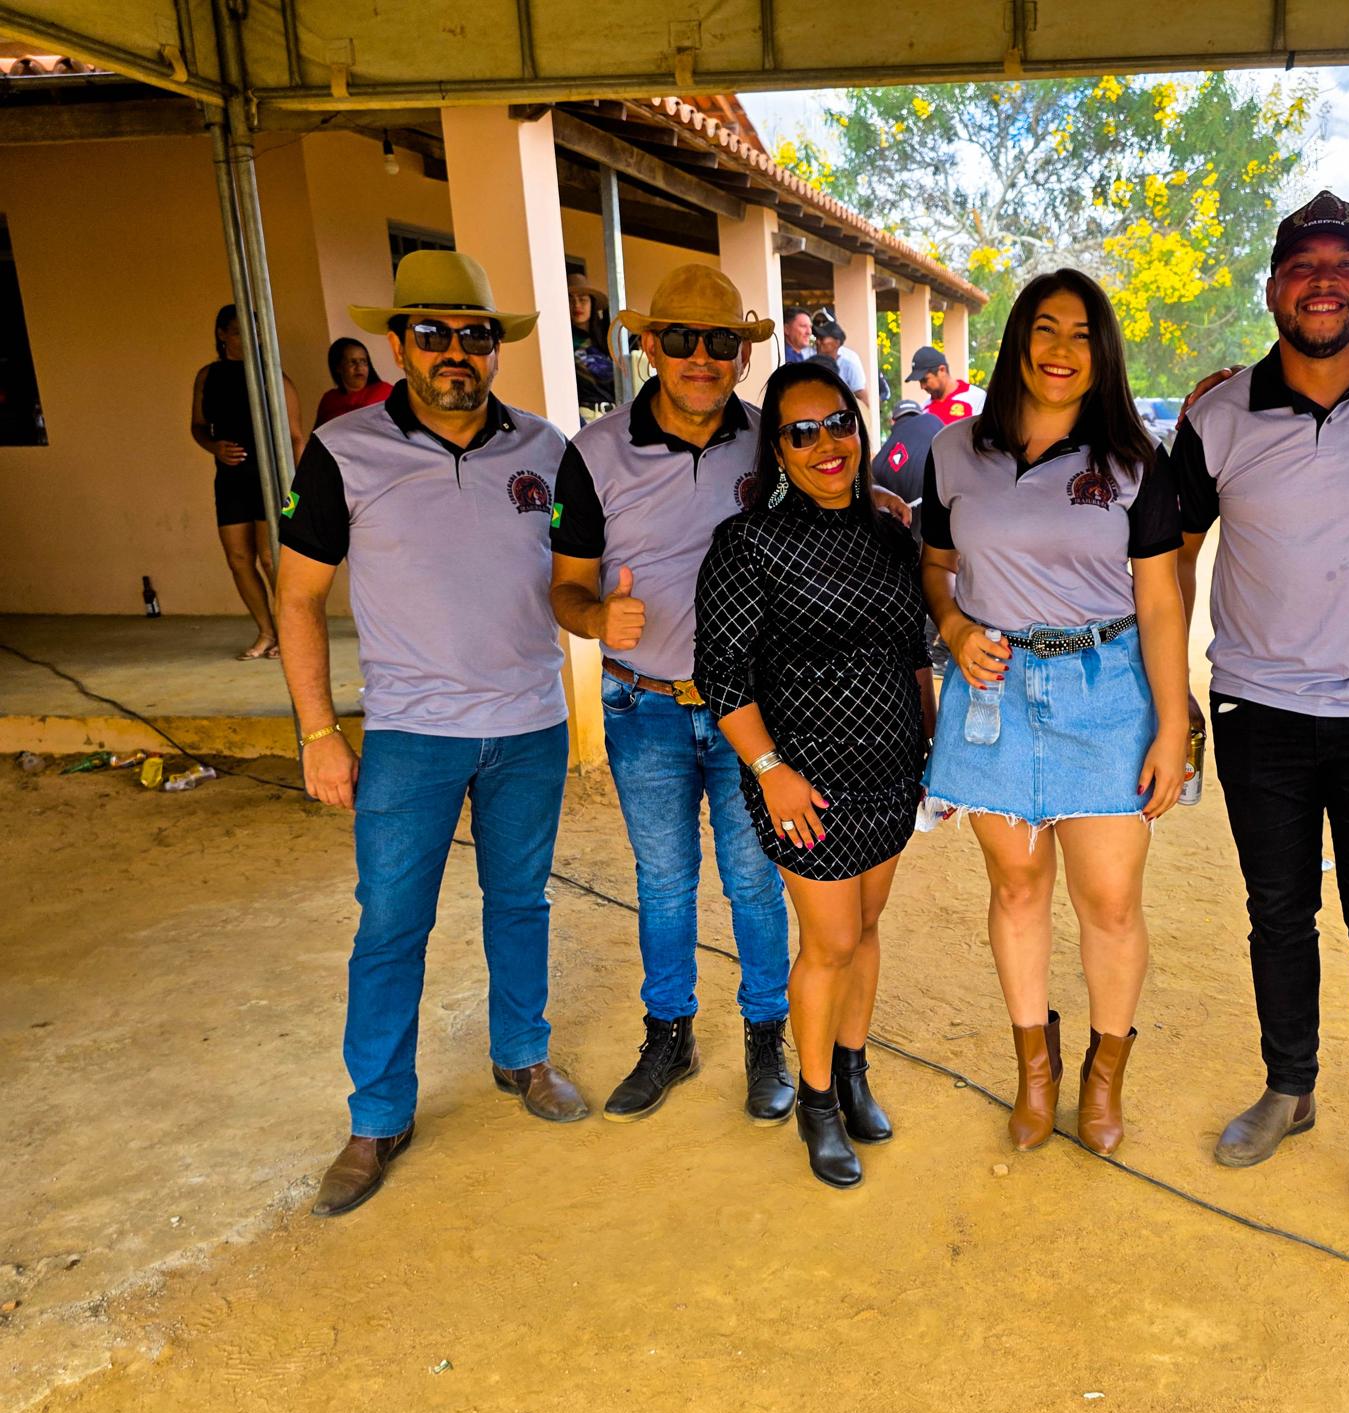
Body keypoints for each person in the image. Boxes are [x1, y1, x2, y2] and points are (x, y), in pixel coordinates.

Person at [1169, 191, 1349, 1247]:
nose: (1324, 282)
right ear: (1273, 289)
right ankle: (1289, 1089)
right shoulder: (1216, 417)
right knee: (1277, 914)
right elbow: (1170, 559)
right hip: (1259, 710)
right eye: (1304, 266)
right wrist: (1174, 696)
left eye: (1345, 266)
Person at [277, 250, 591, 1219]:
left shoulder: (547, 450)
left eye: (475, 335)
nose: (456, 351)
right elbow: (297, 596)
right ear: (398, 343)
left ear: (496, 347)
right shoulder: (344, 451)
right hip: (411, 737)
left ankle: (522, 1056)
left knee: (520, 902)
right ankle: (377, 1117)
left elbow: (581, 570)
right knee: (390, 926)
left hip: (530, 725)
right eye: (433, 333)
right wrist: (318, 731)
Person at [921, 269, 1188, 1158]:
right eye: (1045, 328)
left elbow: (1160, 602)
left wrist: (1172, 726)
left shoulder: (1135, 461)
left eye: (1081, 333)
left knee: (1109, 900)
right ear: (1017, 342)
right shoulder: (954, 452)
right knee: (1015, 887)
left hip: (1104, 692)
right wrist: (955, 628)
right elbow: (935, 568)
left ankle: (1103, 1078)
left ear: (1102, 352)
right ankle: (1035, 1071)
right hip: (991, 692)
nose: (1061, 350)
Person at [549, 265, 800, 1128]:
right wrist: (595, 617)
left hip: (750, 709)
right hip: (643, 706)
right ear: (650, 345)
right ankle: (670, 1037)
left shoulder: (771, 444)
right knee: (663, 882)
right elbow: (564, 586)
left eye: (720, 341)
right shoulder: (593, 453)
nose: (701, 357)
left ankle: (767, 1037)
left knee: (754, 881)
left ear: (742, 354)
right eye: (682, 339)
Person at [695, 363, 933, 1188]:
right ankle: (818, 1100)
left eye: (837, 424)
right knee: (829, 943)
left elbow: (912, 651)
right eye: (801, 433)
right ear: (778, 449)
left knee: (865, 931)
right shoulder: (748, 544)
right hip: (806, 783)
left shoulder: (889, 533)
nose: (825, 445)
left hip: (890, 771)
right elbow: (721, 676)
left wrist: (929, 746)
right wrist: (771, 773)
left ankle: (855, 1072)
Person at [190, 304, 306, 660]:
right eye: (240, 332)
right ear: (222, 335)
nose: (248, 339)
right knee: (239, 558)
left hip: (273, 480)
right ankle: (267, 631)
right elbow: (198, 426)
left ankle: (291, 633)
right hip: (230, 479)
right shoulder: (207, 376)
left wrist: (299, 493)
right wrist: (214, 447)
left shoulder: (273, 376)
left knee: (272, 558)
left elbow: (297, 437)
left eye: (254, 332)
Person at [874, 399, 943, 544]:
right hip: (942, 508)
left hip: (907, 527)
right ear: (919, 414)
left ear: (893, 422)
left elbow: (859, 489)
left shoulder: (879, 461)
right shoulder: (932, 420)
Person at [313, 337, 392, 427]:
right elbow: (318, 433)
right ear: (338, 367)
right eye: (352, 362)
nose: (359, 367)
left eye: (363, 361)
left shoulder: (385, 391)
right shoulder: (329, 400)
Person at [569, 274, 616, 419]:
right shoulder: (564, 341)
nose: (577, 305)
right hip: (585, 415)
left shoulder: (607, 337)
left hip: (614, 413)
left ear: (592, 303)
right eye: (571, 300)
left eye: (582, 299)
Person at [907, 345, 986, 425]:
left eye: (925, 380)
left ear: (942, 370)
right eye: (920, 381)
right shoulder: (923, 409)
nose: (922, 386)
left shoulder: (977, 398)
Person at [811, 317, 871, 413]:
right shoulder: (811, 364)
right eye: (817, 338)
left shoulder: (849, 367)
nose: (817, 342)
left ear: (836, 343)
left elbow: (864, 401)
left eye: (822, 338)